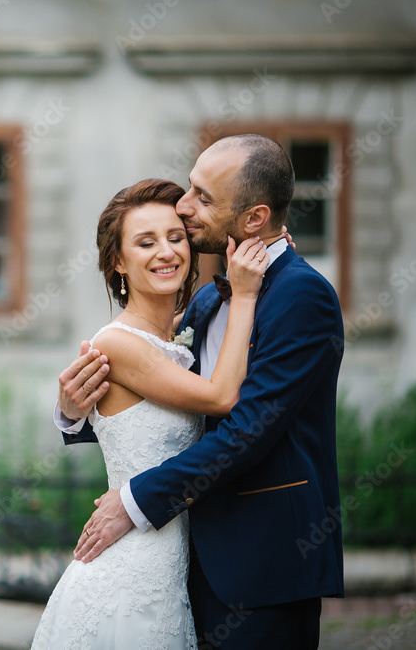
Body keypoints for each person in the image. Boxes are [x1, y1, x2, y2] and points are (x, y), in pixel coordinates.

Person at [55, 135, 345, 649]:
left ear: (254, 218)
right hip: (184, 566)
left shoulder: (302, 297)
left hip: (263, 566)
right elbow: (153, 398)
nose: (185, 208)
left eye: (202, 198)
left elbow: (246, 432)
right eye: (190, 187)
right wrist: (73, 413)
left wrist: (135, 500)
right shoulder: (212, 298)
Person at [31, 177, 270, 649]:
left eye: (175, 237)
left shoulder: (179, 330)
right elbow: (222, 396)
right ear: (118, 261)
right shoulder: (117, 343)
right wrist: (245, 295)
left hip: (170, 568)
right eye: (146, 242)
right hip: (128, 571)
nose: (167, 252)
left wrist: (269, 256)